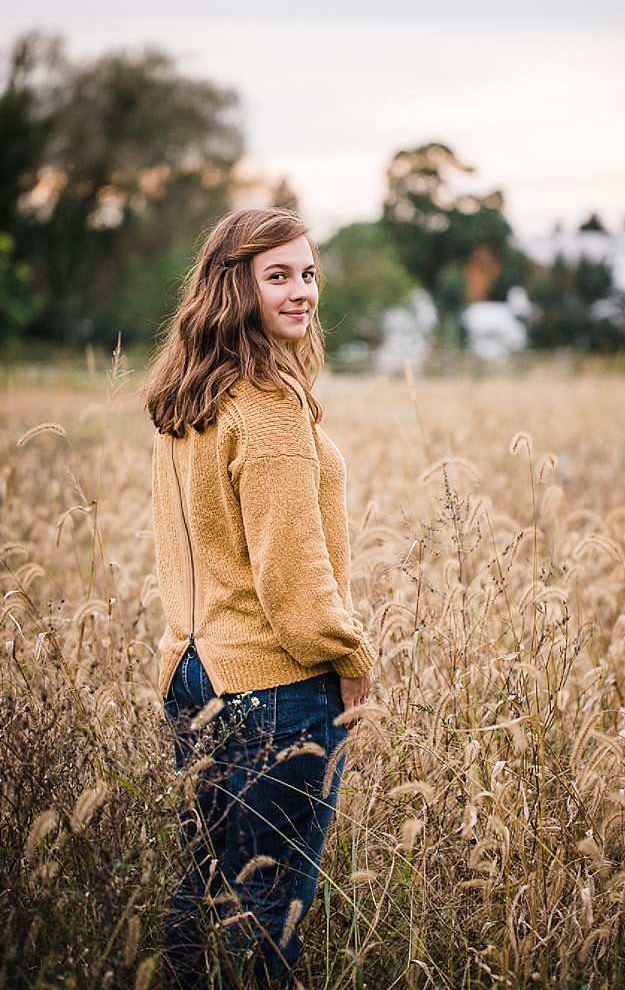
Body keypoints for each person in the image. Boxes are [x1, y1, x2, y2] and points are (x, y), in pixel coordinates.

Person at [143, 208, 378, 987]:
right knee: (271, 918)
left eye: (308, 272)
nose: (303, 290)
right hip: (275, 683)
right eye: (278, 275)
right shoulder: (267, 406)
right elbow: (293, 576)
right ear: (233, 285)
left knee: (205, 894)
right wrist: (350, 657)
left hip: (193, 672)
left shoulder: (187, 398)